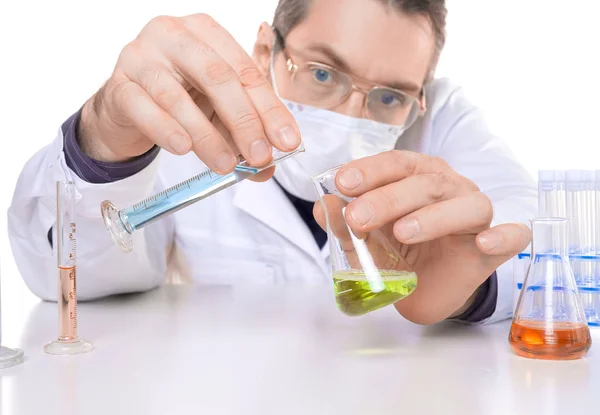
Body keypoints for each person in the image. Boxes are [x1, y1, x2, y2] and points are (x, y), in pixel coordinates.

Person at [8, 0, 536, 325]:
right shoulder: (188, 122)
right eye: (324, 74)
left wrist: (473, 289)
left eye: (390, 98)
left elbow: (539, 238)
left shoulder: (440, 117)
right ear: (265, 52)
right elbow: (65, 275)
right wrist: (99, 145)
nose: (353, 116)